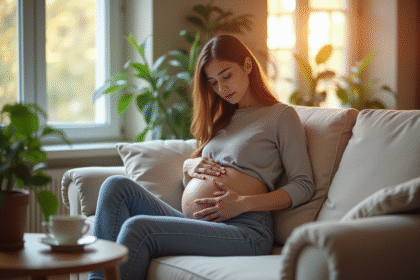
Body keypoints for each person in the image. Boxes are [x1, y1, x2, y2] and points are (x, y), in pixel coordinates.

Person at [88, 35, 314, 280]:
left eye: (226, 76)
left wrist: (244, 202)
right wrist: (189, 168)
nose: (222, 88)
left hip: (245, 228)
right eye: (213, 82)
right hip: (203, 223)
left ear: (247, 66)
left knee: (139, 228)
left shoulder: (281, 116)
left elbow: (304, 185)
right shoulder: (222, 119)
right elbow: (199, 183)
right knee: (115, 187)